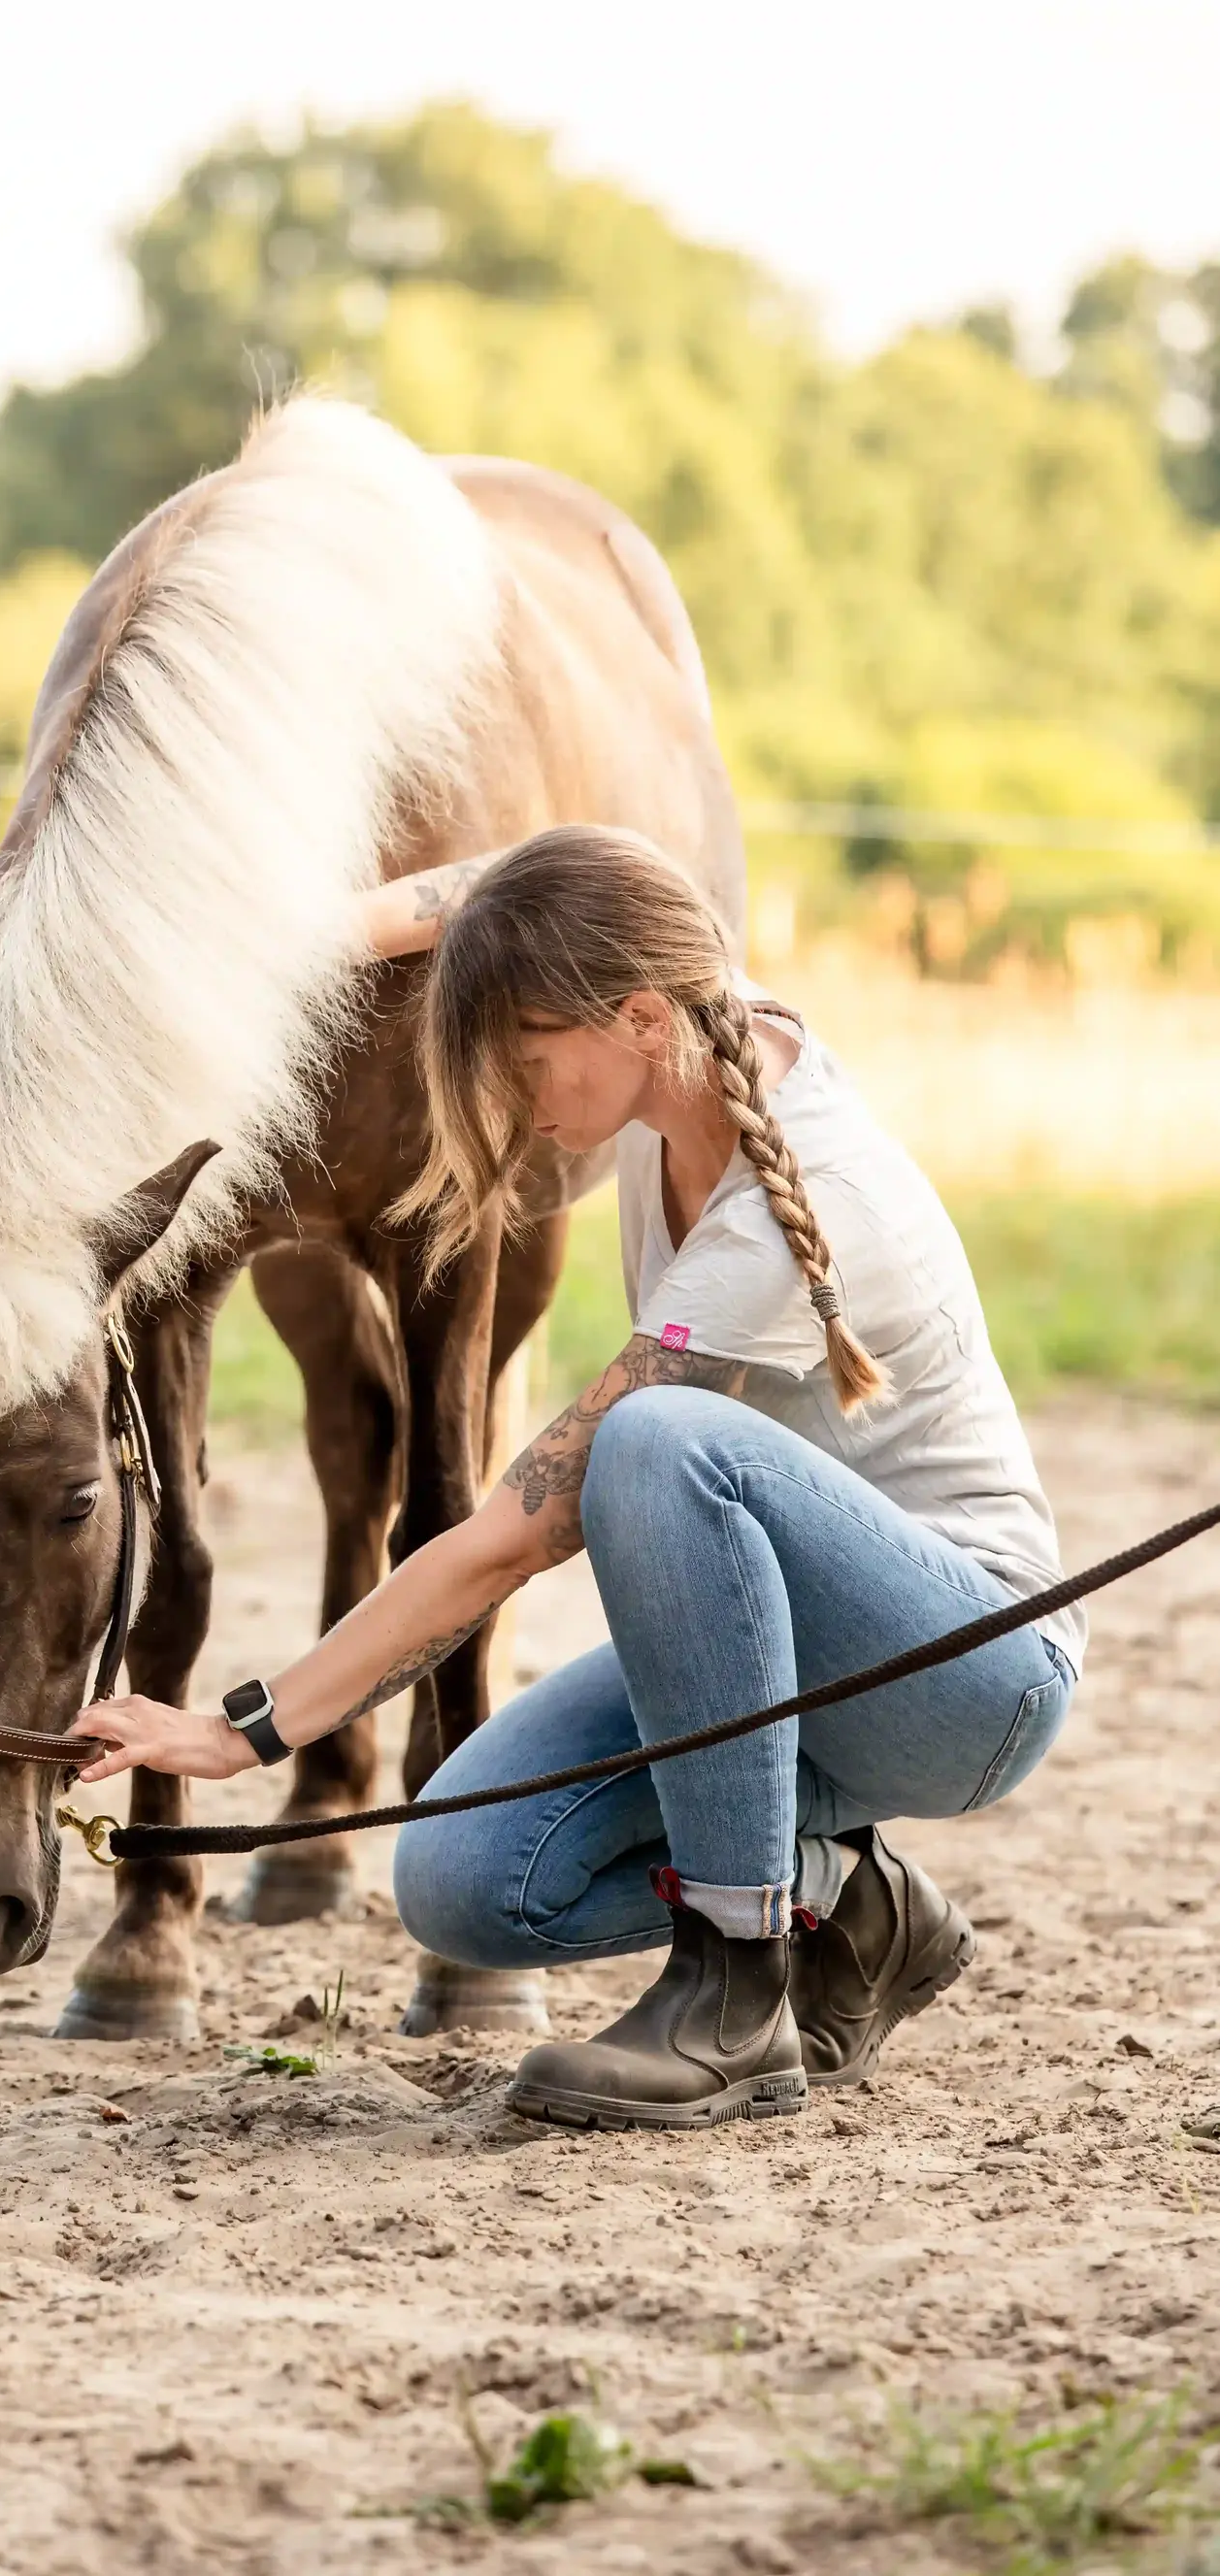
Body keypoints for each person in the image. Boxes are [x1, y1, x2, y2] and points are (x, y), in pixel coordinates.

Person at [74, 825, 1082, 2130]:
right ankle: (847, 1898)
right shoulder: (686, 1027)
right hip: (801, 1659)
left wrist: (241, 1729)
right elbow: (511, 878)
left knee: (656, 1447)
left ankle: (731, 1995)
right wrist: (285, 943)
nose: (508, 1096)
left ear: (638, 1018)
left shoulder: (789, 1199)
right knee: (465, 1878)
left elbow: (510, 1534)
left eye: (526, 1059)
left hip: (963, 1674)